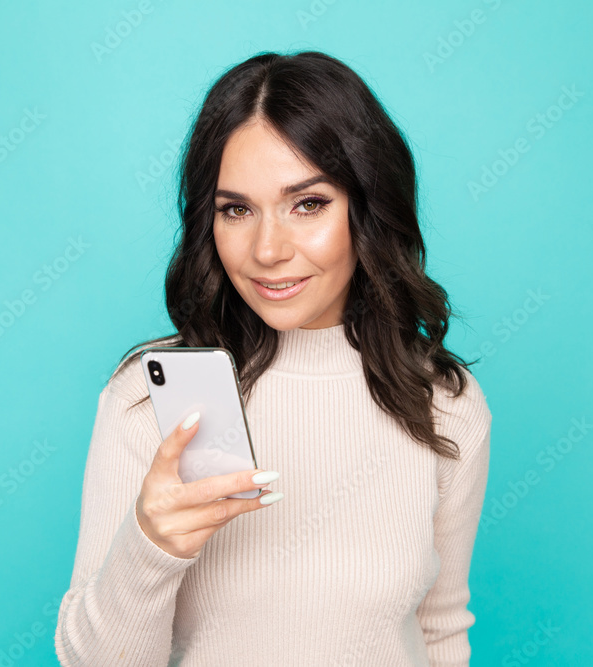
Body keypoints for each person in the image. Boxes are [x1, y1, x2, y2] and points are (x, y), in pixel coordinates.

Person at [54, 50, 492, 666]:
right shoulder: (148, 398)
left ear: (366, 207)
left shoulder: (444, 403)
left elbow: (441, 631)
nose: (266, 249)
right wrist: (151, 545)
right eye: (236, 210)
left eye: (307, 204)